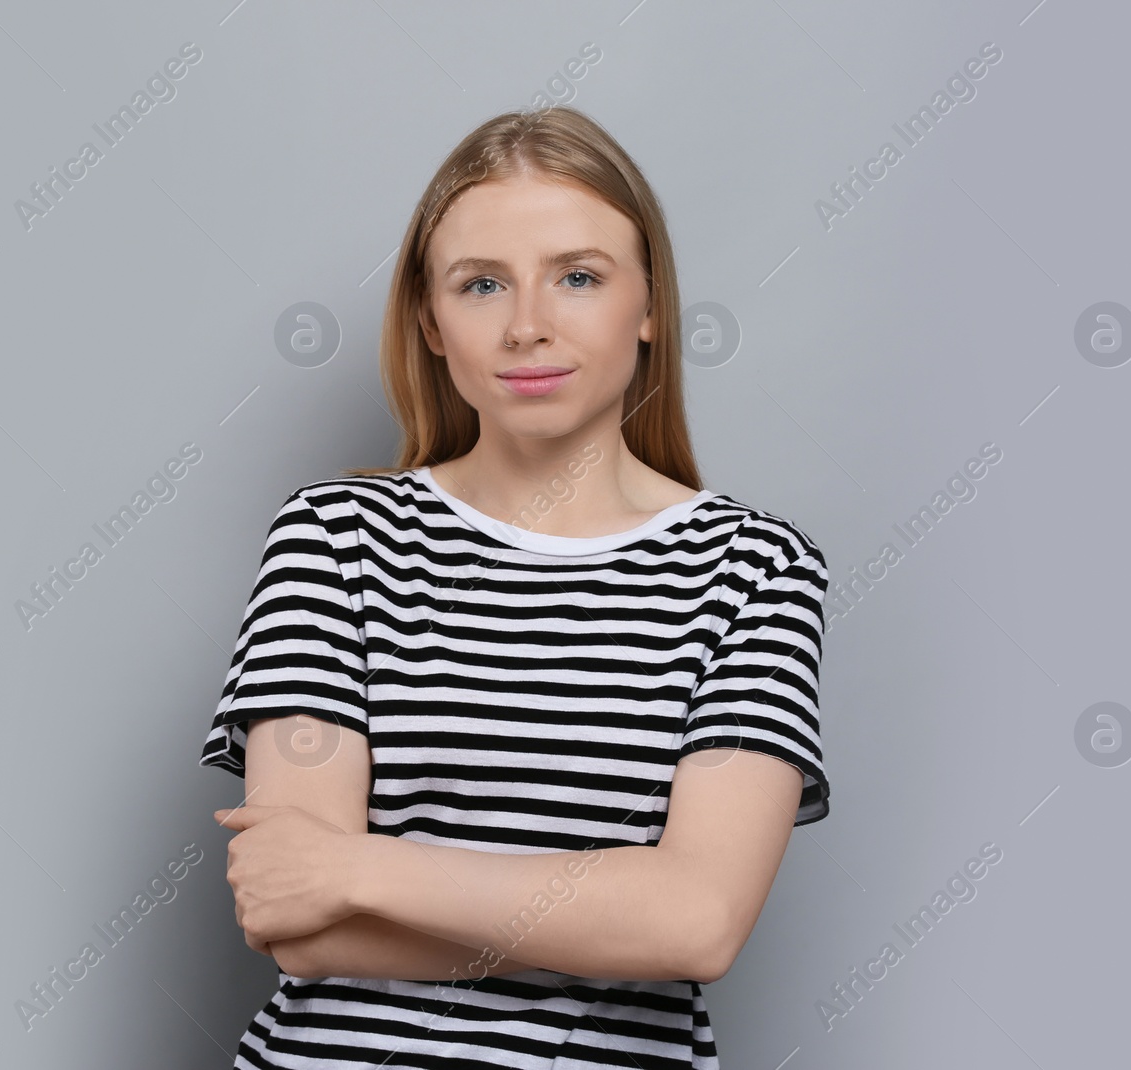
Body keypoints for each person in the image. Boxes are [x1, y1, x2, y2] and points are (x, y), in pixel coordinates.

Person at [200, 105, 830, 1069]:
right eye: (482, 284)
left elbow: (697, 923)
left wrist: (361, 867)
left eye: (578, 277)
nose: (529, 325)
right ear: (431, 320)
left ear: (651, 305)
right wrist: (612, 916)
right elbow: (304, 928)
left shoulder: (757, 569)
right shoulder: (333, 537)